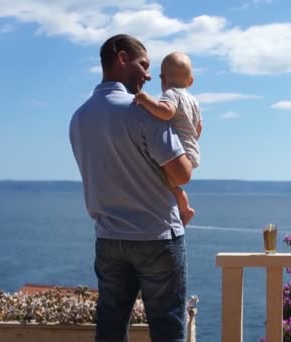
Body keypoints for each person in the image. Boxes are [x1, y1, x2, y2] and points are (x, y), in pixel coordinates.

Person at [69, 34, 193, 342]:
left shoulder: (79, 118)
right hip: (156, 236)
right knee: (167, 330)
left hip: (108, 238)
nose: (149, 75)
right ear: (122, 59)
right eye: (144, 65)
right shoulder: (141, 111)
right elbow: (181, 174)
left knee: (110, 329)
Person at [134, 52, 202, 226]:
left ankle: (185, 210)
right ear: (191, 81)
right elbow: (198, 128)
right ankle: (184, 210)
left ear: (162, 79)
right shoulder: (193, 101)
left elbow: (166, 112)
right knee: (170, 185)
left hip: (179, 153)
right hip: (192, 151)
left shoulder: (171, 94)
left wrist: (147, 101)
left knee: (165, 184)